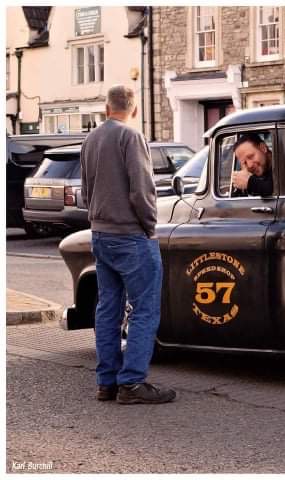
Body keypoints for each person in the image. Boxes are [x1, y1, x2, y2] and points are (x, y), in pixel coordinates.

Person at [80, 85, 175, 404]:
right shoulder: (131, 137)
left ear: (107, 109)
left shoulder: (91, 139)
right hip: (131, 236)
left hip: (100, 234)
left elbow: (85, 190)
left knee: (108, 307)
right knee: (144, 308)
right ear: (134, 110)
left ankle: (106, 383)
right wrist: (149, 227)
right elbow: (142, 189)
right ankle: (132, 383)